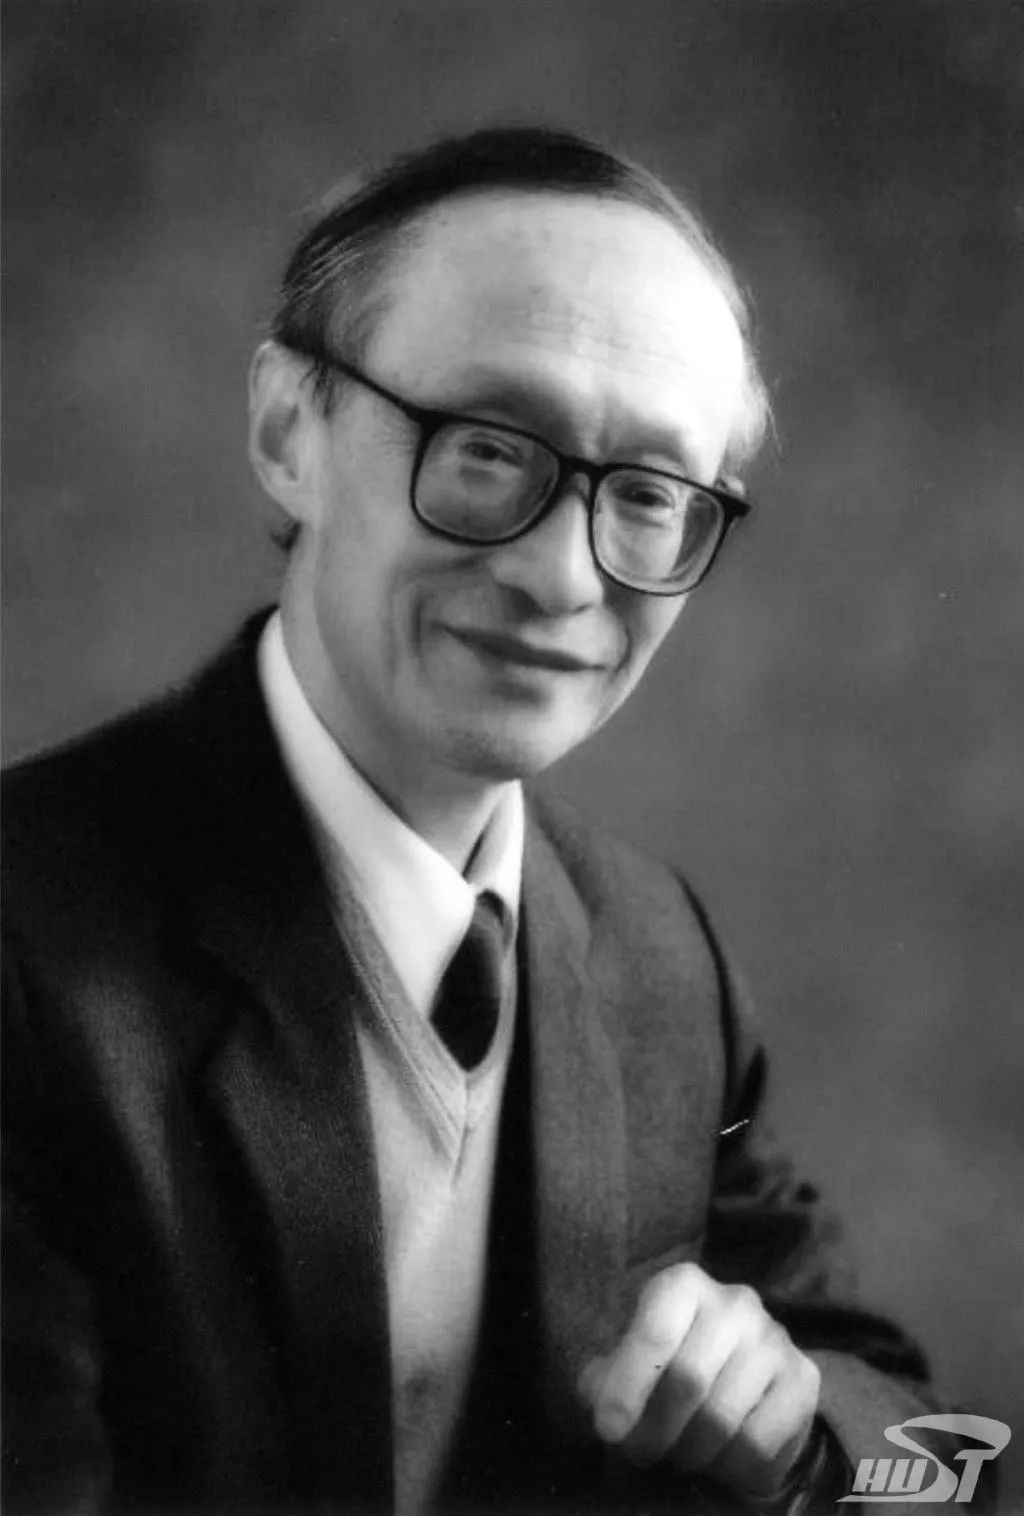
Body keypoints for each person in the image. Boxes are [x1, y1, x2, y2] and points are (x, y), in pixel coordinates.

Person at [2, 127, 947, 1516]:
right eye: (489, 449)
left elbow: (935, 1454)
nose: (564, 579)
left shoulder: (659, 957)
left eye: (650, 494)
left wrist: (794, 1431)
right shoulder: (23, 941)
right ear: (288, 434)